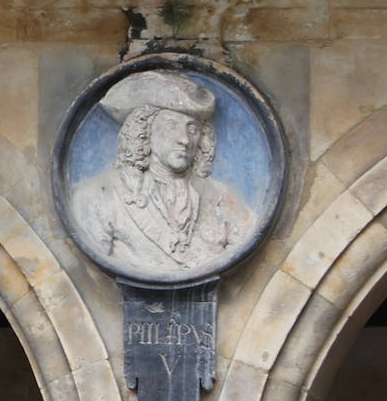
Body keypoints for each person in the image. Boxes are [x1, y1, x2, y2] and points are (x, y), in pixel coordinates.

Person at [70, 70, 253, 278]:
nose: (184, 139)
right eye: (171, 125)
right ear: (145, 130)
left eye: (192, 129)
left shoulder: (221, 198)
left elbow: (247, 244)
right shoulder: (98, 196)